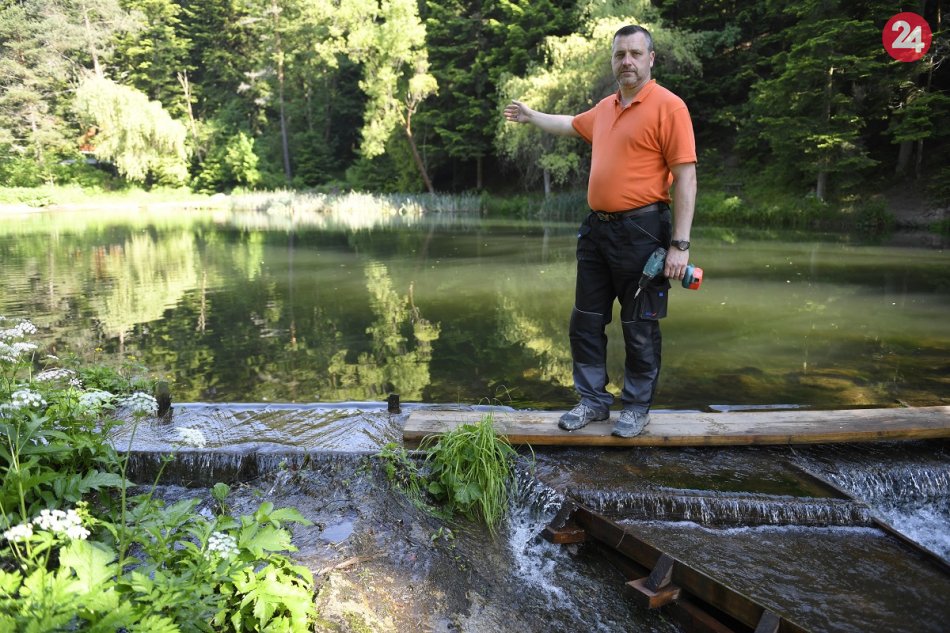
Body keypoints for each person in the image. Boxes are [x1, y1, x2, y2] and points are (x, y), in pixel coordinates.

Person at [503, 24, 697, 438]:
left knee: (638, 326)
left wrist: (680, 245)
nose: (627, 61)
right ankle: (593, 401)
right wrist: (531, 116)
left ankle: (636, 408)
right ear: (613, 60)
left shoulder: (669, 107)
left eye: (635, 53)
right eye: (619, 54)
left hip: (644, 232)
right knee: (585, 321)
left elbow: (686, 177)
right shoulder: (606, 108)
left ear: (650, 59)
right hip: (597, 233)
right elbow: (569, 124)